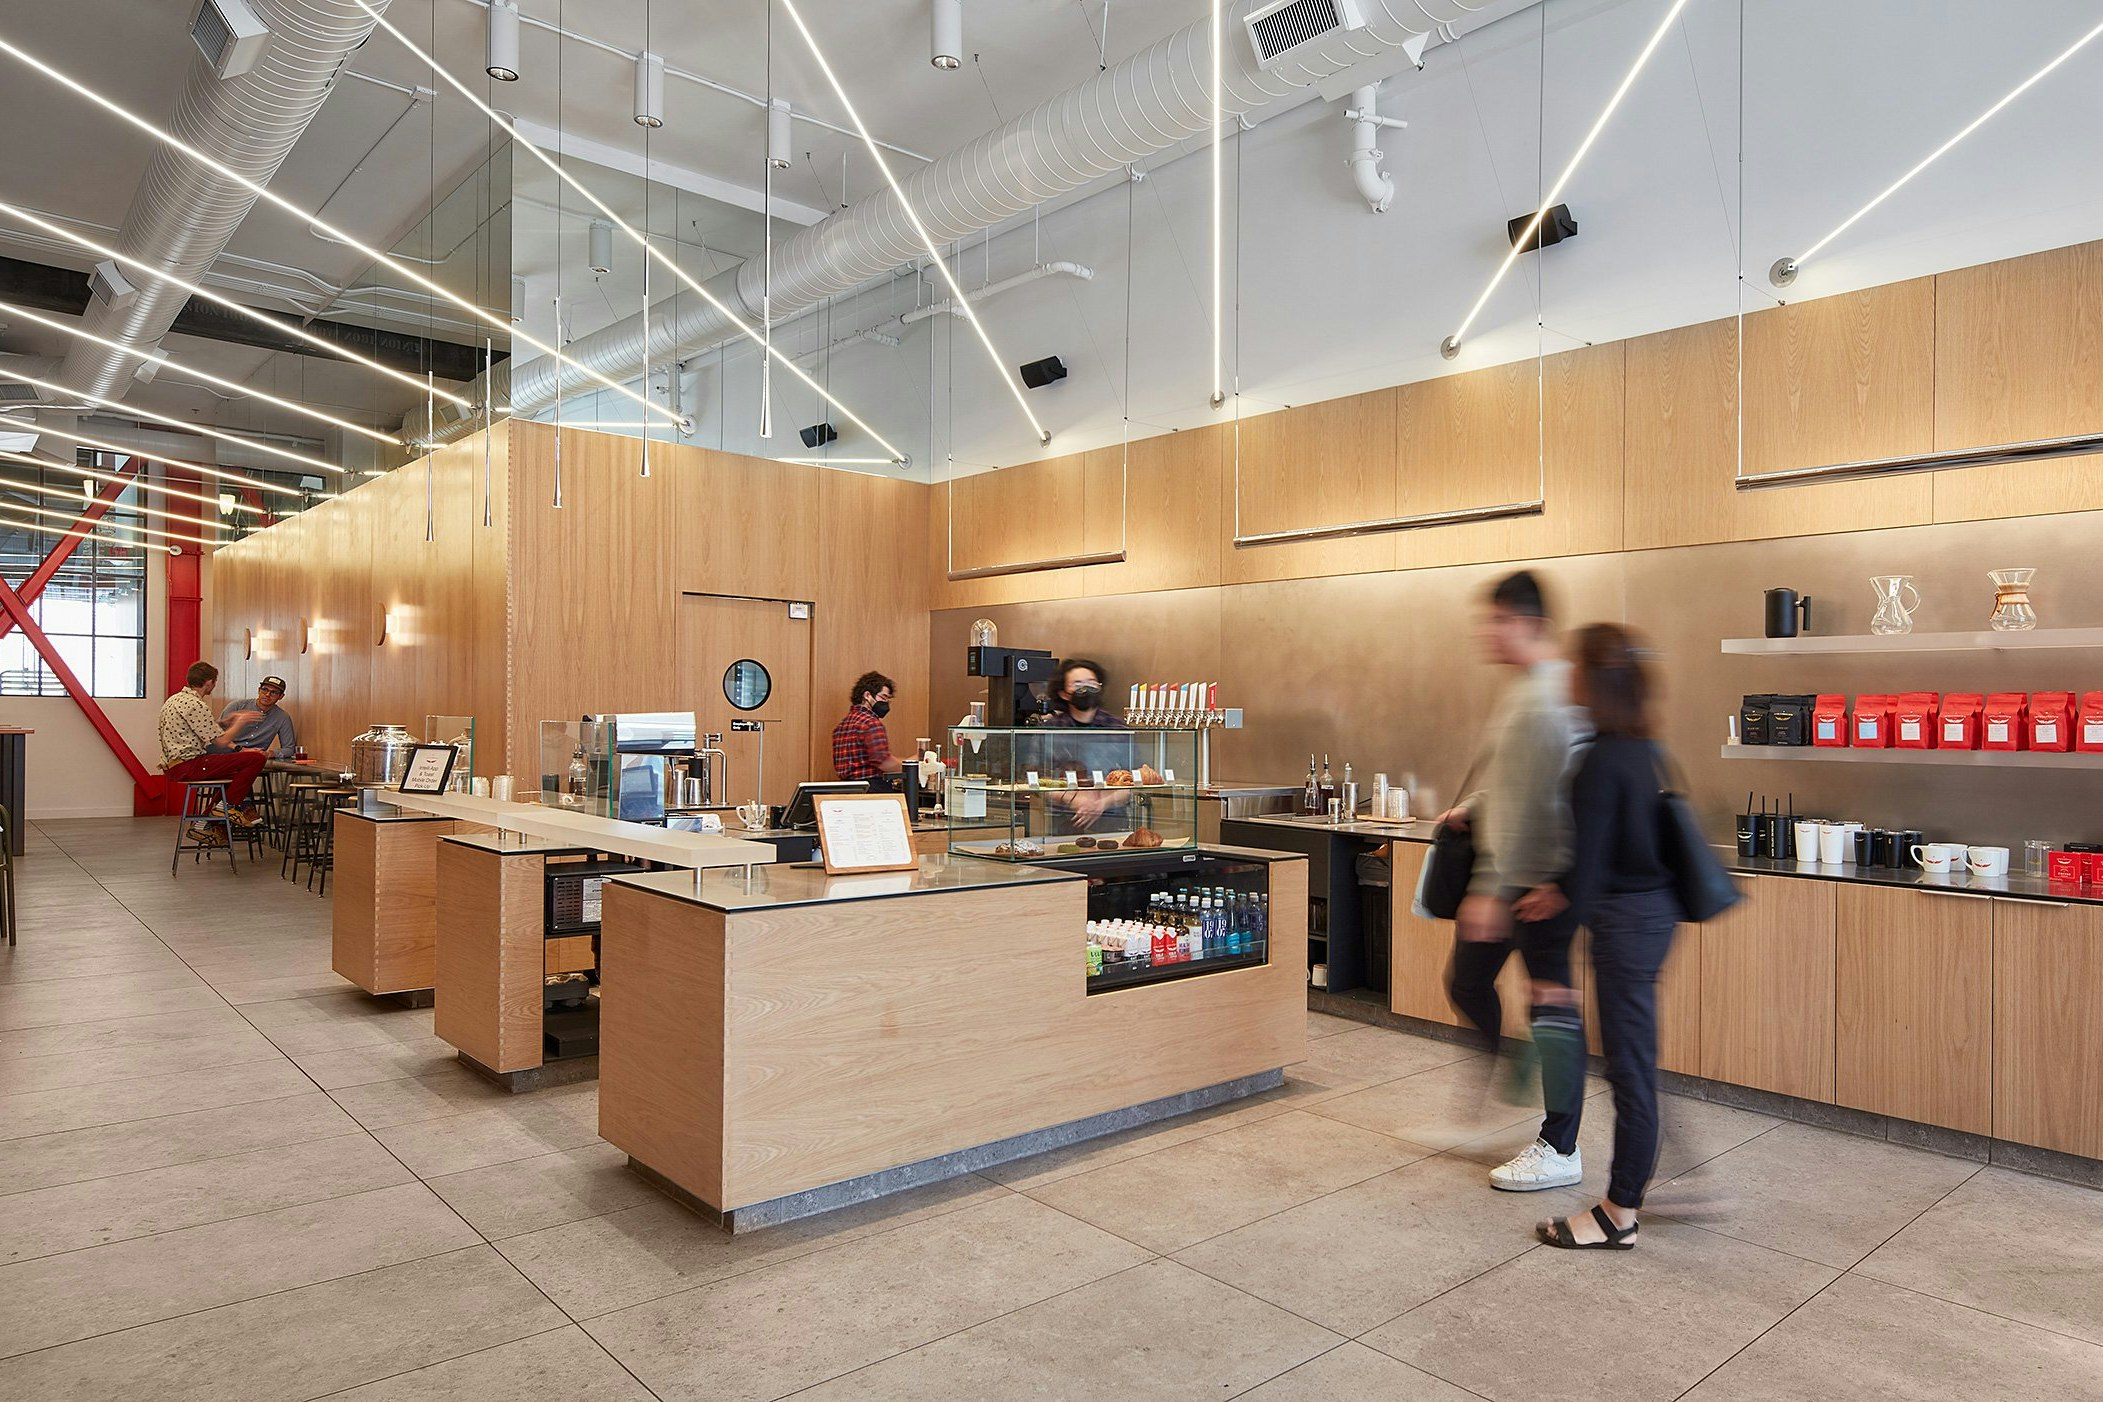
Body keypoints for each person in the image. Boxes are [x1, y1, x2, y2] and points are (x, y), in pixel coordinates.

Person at [1437, 570, 1589, 1193]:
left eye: (1499, 620)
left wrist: (1491, 890)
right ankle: (1509, 1077)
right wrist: (1474, 803)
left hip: (1540, 883)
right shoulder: (1528, 690)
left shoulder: (1543, 697)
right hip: (1520, 875)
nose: (1488, 632)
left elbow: (1548, 797)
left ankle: (1561, 1145)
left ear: (1532, 625)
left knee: (1553, 1008)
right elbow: (1515, 781)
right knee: (1469, 981)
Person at [1530, 624, 1679, 1250]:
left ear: (1591, 678)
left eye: (1572, 664)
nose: (1565, 674)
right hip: (1653, 918)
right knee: (1634, 1061)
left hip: (1623, 928)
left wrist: (1549, 948)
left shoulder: (1597, 761)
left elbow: (1589, 873)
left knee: (1629, 1070)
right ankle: (1634, 1190)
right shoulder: (1641, 748)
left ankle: (1620, 1213)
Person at [157, 661, 268, 843]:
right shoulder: (196, 704)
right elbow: (222, 741)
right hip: (189, 765)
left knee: (235, 776)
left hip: (175, 765)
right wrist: (241, 721)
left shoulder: (175, 700)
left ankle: (204, 824)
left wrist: (225, 723)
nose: (214, 686)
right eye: (214, 682)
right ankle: (229, 806)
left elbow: (199, 729)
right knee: (255, 759)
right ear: (209, 682)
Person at [1040, 658, 1131, 832]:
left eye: (1091, 683)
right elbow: (1036, 780)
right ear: (1064, 693)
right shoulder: (1050, 729)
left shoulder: (1117, 727)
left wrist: (1101, 804)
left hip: (1112, 821)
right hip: (1062, 822)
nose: (1086, 688)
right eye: (1078, 684)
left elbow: (1131, 782)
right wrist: (1072, 799)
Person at [832, 671, 903, 788]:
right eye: (883, 697)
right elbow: (883, 763)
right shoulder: (870, 723)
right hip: (872, 790)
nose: (886, 703)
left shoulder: (841, 726)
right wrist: (913, 765)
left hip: (847, 790)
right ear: (867, 695)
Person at [220, 675, 296, 755]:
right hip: (226, 754)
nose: (267, 694)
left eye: (273, 692)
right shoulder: (237, 706)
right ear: (259, 690)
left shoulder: (282, 717)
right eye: (264, 690)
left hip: (254, 758)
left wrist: (269, 753)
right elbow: (217, 735)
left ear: (281, 696)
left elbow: (289, 749)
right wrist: (239, 749)